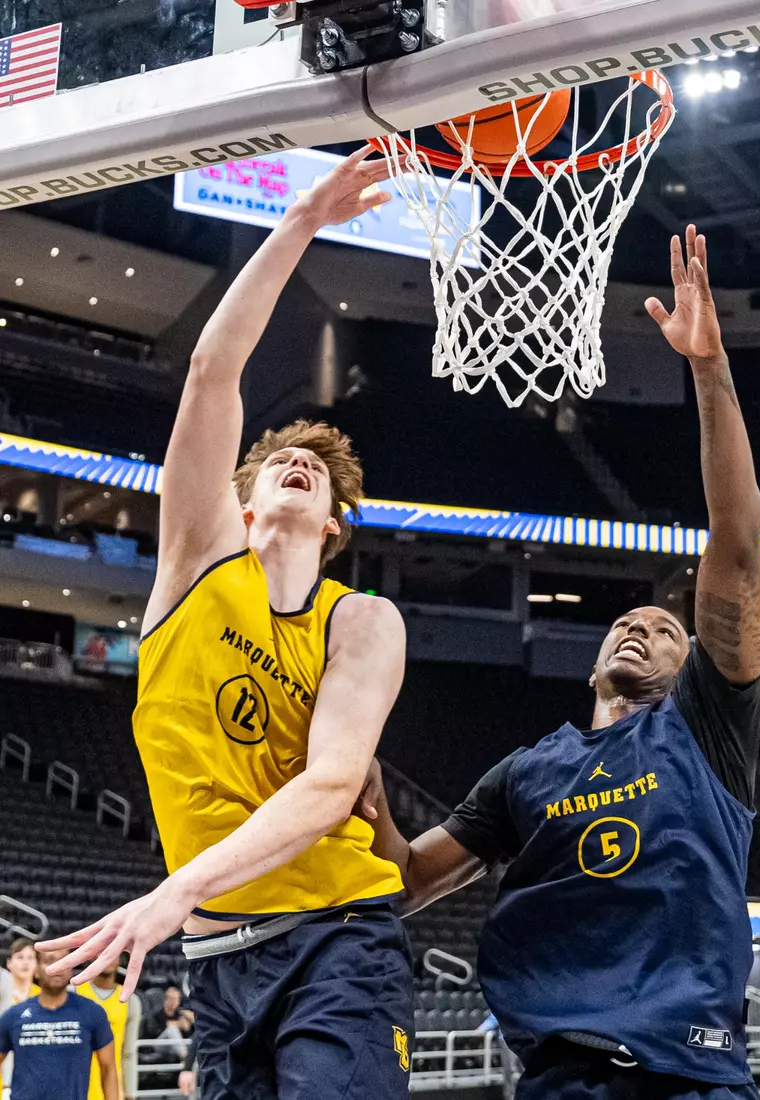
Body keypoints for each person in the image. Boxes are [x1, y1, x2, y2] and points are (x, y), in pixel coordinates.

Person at [38, 147, 413, 1100]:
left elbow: (331, 786)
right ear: (241, 506)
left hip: (337, 933)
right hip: (217, 960)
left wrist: (175, 889)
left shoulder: (361, 621)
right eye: (280, 460)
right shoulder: (196, 560)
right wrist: (301, 222)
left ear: (332, 525)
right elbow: (213, 370)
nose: (298, 463)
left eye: (317, 472)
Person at [361, 226, 760, 1100]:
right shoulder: (525, 773)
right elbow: (404, 881)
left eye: (663, 629)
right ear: (589, 669)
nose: (638, 628)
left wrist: (708, 370)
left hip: (691, 1073)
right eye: (624, 622)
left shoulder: (708, 729)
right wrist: (360, 780)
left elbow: (736, 549)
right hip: (558, 1077)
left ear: (693, 667)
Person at [0, 948, 117, 1100]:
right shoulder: (14, 1016)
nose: (58, 967)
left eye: (64, 961)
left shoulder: (92, 1012)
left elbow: (108, 1068)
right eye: (49, 961)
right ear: (37, 970)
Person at [77, 956, 142, 1100]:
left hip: (113, 1089)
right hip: (77, 1089)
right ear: (91, 957)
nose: (108, 958)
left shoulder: (130, 1000)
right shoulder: (74, 993)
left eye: (113, 953)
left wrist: (130, 1094)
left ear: (119, 959)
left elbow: (129, 1053)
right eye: (102, 953)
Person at [1, 939, 40, 1097]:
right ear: (9, 963)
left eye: (30, 957)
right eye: (20, 957)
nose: (25, 962)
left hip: (35, 1080)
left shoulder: (44, 998)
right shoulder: (2, 996)